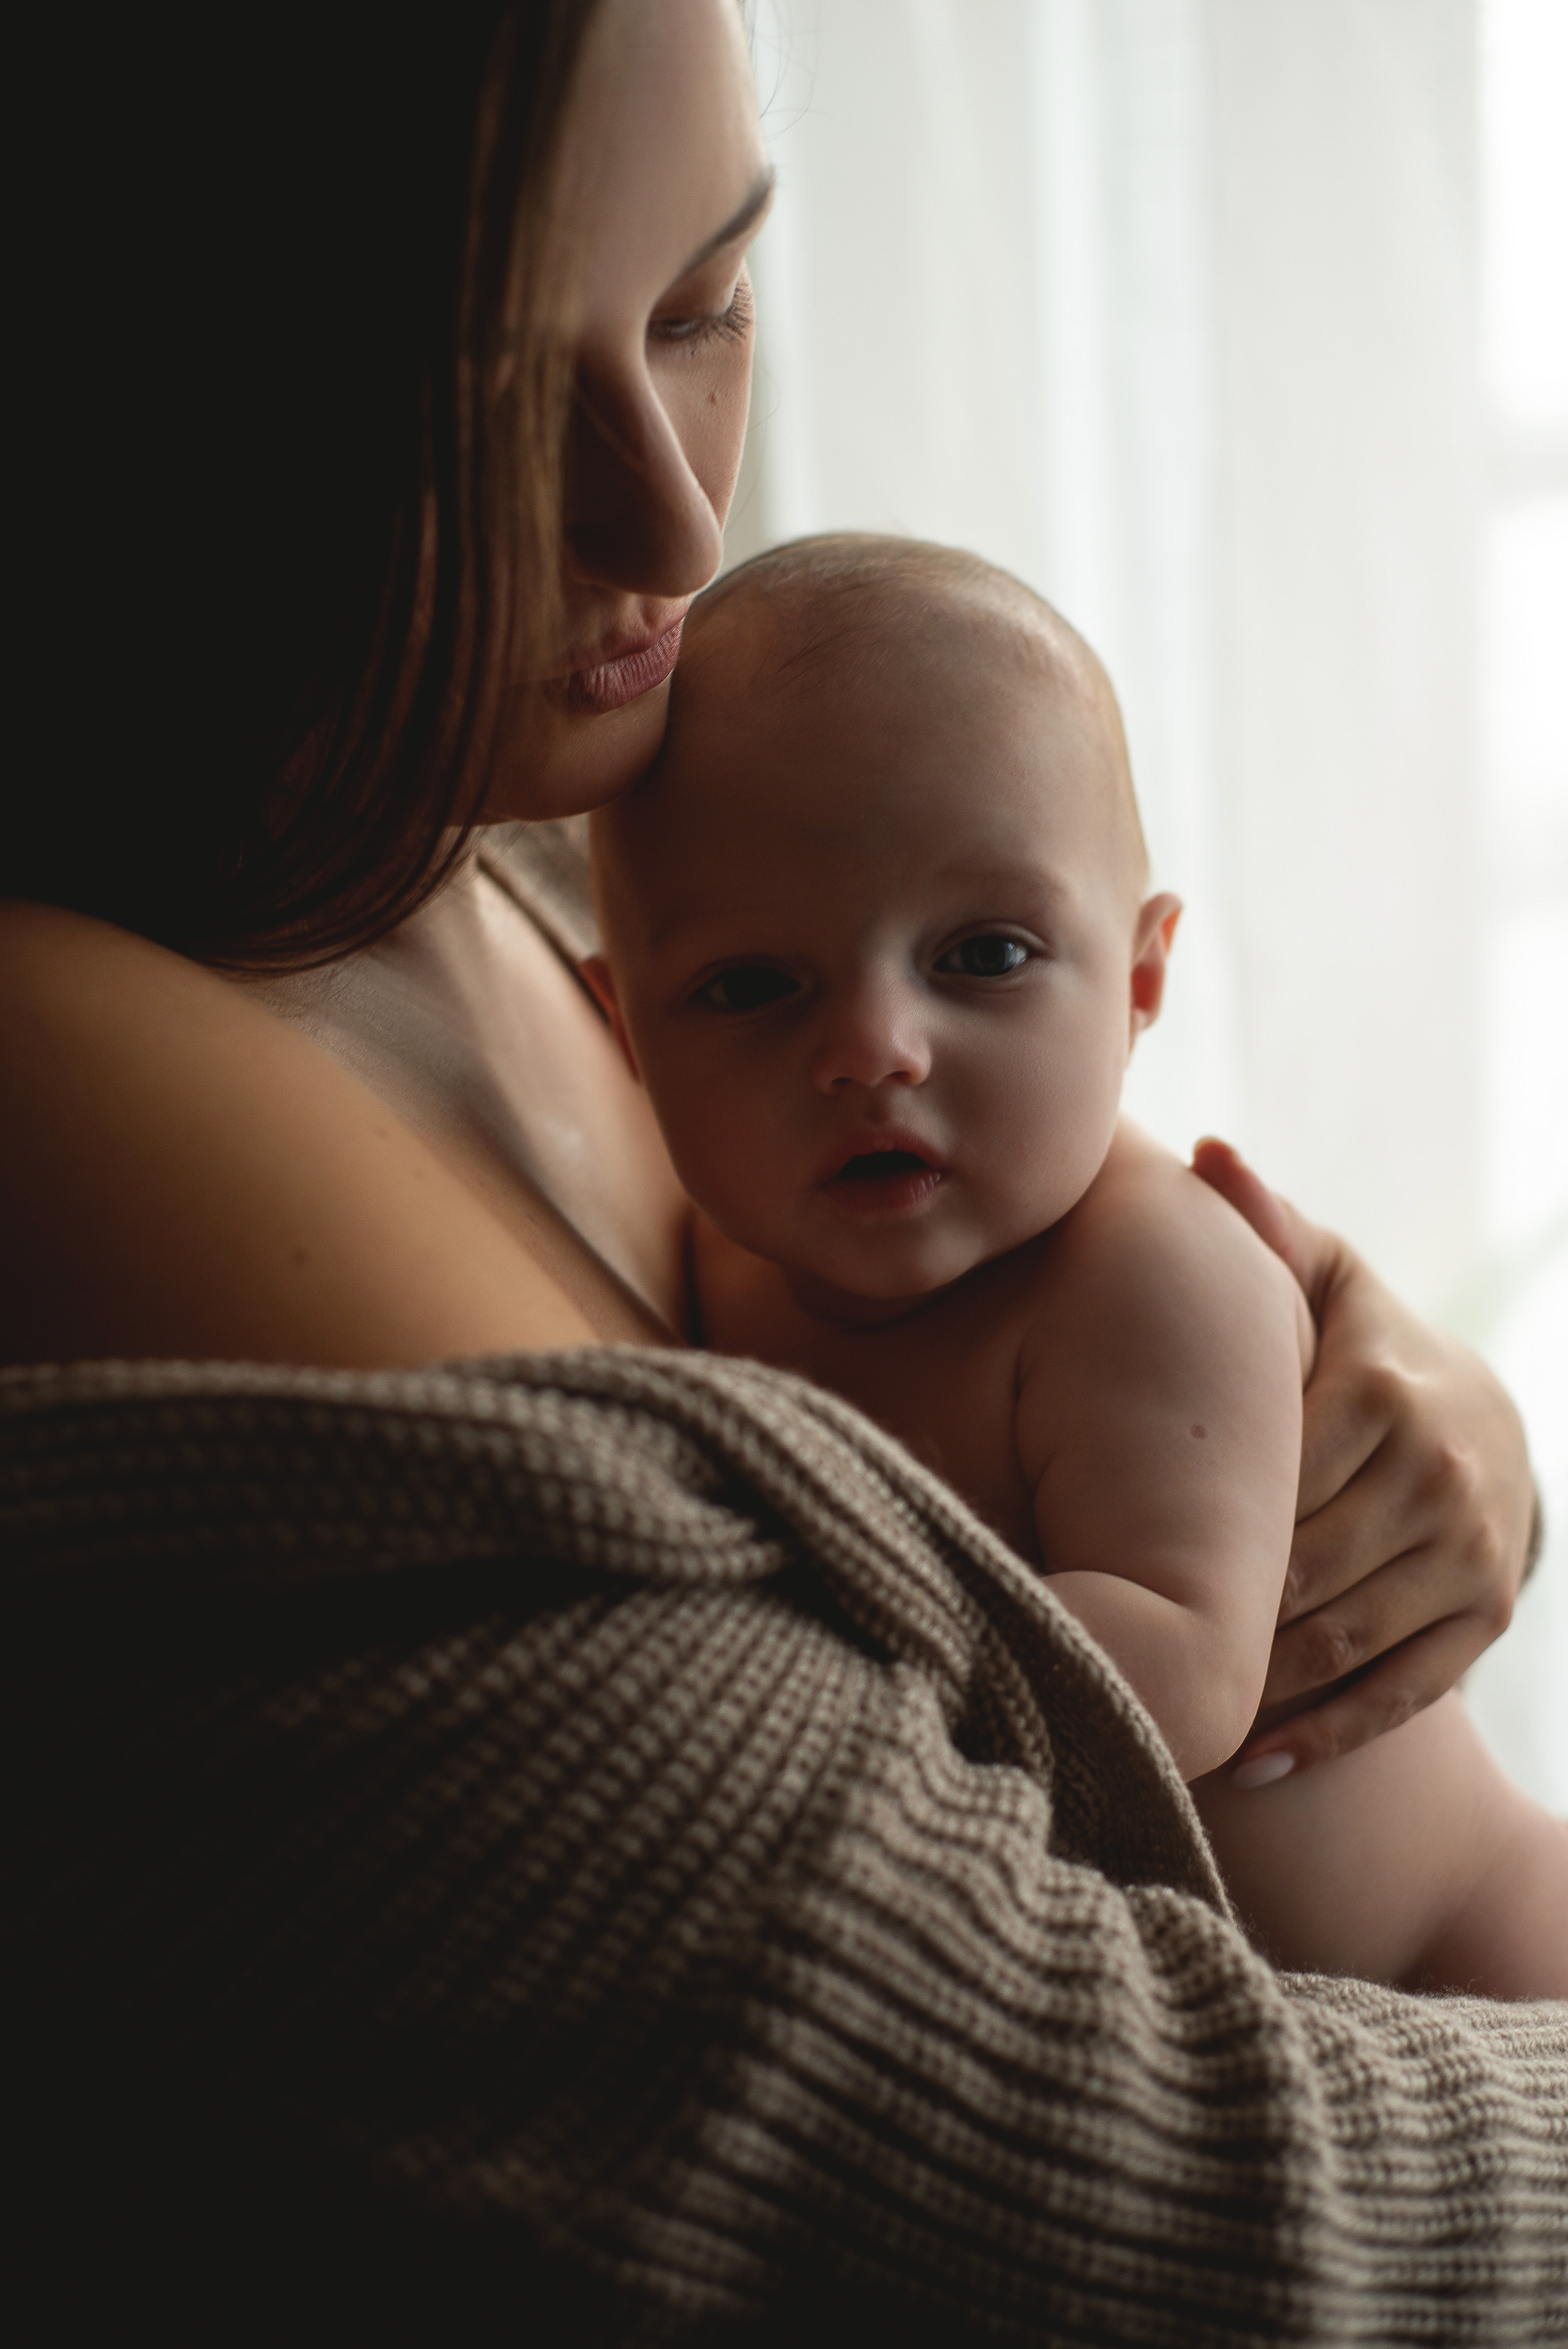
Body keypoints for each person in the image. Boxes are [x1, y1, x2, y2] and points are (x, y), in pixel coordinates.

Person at [4, 1, 1564, 2337]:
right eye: (463, 402)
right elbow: (1100, 2175)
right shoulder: (81, 1063)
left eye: (709, 300)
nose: (678, 523)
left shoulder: (496, 853)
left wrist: (1408, 1434)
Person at [584, 532, 1568, 2002]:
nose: (872, 1051)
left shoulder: (1146, 1270)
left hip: (1473, 1956)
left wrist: (754, 1665)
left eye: (979, 956)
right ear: (624, 1034)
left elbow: (1179, 1675)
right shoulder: (715, 1256)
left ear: (1139, 981)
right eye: (747, 986)